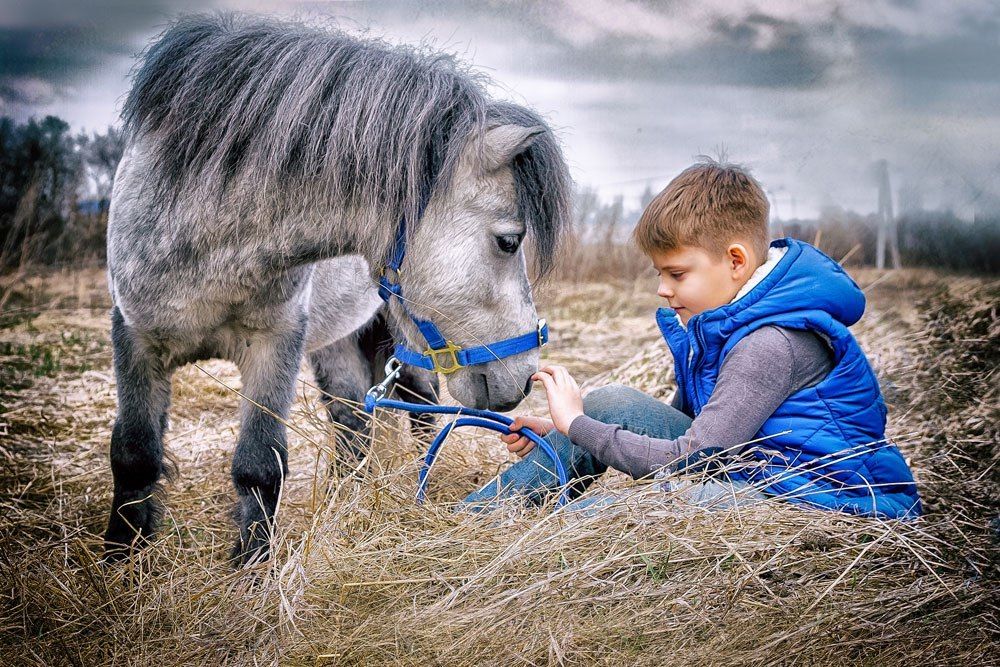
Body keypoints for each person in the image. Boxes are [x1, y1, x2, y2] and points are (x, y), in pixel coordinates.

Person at [463, 159, 921, 519]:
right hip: (752, 466)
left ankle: (534, 537)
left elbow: (692, 459)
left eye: (677, 273)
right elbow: (686, 423)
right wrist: (567, 432)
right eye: (660, 273)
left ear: (736, 261)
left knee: (599, 518)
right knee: (612, 401)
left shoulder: (770, 344)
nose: (663, 288)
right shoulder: (727, 320)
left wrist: (578, 427)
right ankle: (477, 521)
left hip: (814, 495)